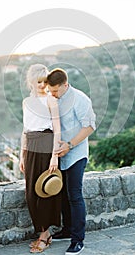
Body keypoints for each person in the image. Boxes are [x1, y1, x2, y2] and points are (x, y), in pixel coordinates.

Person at [47, 68, 96, 255]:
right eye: (50, 92)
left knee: (75, 195)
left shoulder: (81, 99)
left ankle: (78, 241)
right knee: (62, 195)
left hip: (76, 153)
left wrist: (69, 145)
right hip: (61, 154)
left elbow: (90, 126)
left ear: (65, 85)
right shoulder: (55, 98)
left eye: (55, 91)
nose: (53, 95)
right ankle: (67, 230)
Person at [19, 64, 62, 253]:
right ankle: (44, 232)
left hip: (46, 146)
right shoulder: (26, 102)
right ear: (31, 81)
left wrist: (54, 157)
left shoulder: (51, 100)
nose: (42, 85)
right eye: (39, 82)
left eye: (45, 82)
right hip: (30, 147)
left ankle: (44, 235)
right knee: (31, 193)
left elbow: (57, 129)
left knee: (44, 192)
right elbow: (25, 129)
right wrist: (21, 155)